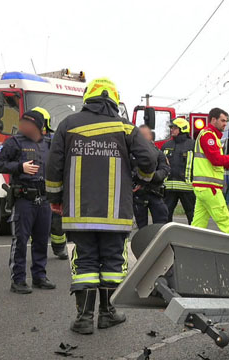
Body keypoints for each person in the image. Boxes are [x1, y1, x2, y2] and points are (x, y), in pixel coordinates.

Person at [46, 77, 157, 335]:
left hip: (79, 212)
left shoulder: (68, 125)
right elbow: (149, 158)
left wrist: (54, 198)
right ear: (114, 100)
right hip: (116, 213)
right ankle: (108, 314)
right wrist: (142, 179)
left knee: (84, 262)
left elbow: (54, 165)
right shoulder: (125, 127)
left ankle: (84, 319)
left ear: (87, 98)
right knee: (112, 262)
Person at [0, 111, 57, 294]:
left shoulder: (48, 143)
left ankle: (39, 276)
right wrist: (20, 167)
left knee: (42, 240)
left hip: (43, 199)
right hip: (24, 199)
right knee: (20, 240)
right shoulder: (14, 142)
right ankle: (18, 280)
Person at [190, 108, 229, 234]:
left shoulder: (209, 135)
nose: (225, 124)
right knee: (225, 220)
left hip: (203, 187)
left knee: (198, 223)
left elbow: (219, 163)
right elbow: (217, 160)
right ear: (213, 120)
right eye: (222, 120)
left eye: (226, 121)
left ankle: (190, 245)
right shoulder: (208, 136)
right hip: (209, 188)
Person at [32, 106, 68, 260]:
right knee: (38, 223)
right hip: (34, 188)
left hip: (52, 186)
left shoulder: (54, 139)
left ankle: (59, 248)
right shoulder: (22, 140)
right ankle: (38, 252)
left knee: (57, 220)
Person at [133, 125, 170, 228]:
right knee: (142, 228)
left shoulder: (159, 154)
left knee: (160, 226)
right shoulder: (133, 153)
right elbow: (131, 170)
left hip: (156, 193)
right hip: (139, 195)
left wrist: (150, 175)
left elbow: (164, 170)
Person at [161, 118, 196, 223]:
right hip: (169, 188)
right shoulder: (167, 146)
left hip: (187, 188)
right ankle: (166, 237)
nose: (172, 130)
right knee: (165, 215)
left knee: (193, 216)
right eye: (172, 128)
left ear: (183, 129)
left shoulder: (193, 145)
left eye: (175, 128)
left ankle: (195, 237)